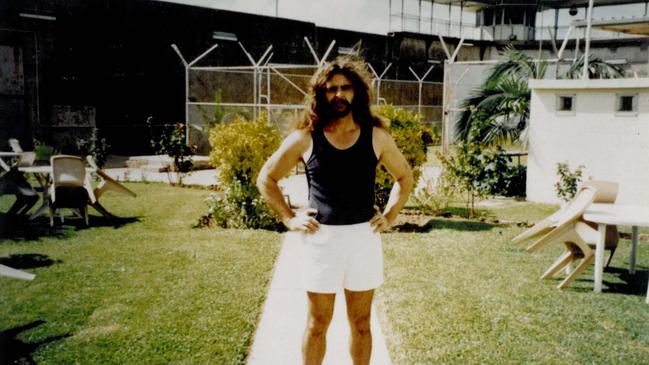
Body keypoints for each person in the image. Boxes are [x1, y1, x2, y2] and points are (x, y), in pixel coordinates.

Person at [257, 56, 413, 365]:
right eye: (331, 89)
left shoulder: (376, 136)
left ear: (357, 93)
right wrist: (289, 218)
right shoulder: (305, 138)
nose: (339, 95)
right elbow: (267, 178)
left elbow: (404, 176)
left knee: (361, 324)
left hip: (363, 239)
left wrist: (391, 214)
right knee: (318, 325)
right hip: (320, 241)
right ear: (320, 94)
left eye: (345, 88)